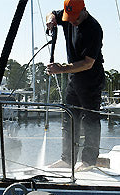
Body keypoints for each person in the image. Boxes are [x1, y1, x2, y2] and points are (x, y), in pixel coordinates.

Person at [46, 0, 105, 171]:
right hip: (74, 76)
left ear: (84, 11)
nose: (71, 22)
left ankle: (88, 161)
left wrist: (60, 69)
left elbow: (88, 63)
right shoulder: (69, 16)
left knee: (90, 119)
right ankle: (67, 159)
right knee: (69, 116)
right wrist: (51, 20)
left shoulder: (93, 28)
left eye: (75, 19)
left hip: (91, 77)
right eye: (68, 18)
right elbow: (52, 13)